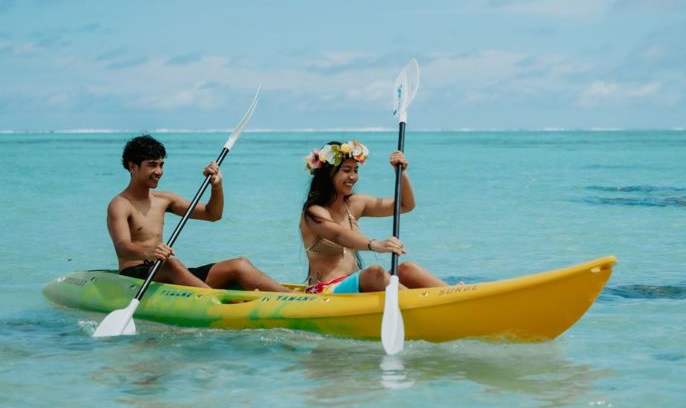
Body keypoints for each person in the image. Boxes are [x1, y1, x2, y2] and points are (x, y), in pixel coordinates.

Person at [107, 134, 291, 292]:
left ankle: (294, 297)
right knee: (171, 263)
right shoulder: (120, 204)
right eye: (152, 165)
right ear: (132, 167)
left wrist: (216, 186)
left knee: (239, 265)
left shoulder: (164, 199)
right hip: (136, 276)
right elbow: (122, 247)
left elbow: (212, 214)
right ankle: (220, 304)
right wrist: (151, 252)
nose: (159, 171)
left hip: (166, 270)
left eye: (161, 165)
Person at [300, 139, 447, 294]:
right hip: (326, 290)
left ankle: (455, 293)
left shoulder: (355, 204)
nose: (353, 177)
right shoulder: (313, 211)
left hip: (357, 285)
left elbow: (405, 205)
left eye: (355, 170)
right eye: (346, 170)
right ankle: (424, 303)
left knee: (406, 268)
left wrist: (401, 172)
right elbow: (338, 235)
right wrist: (375, 244)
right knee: (374, 272)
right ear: (328, 174)